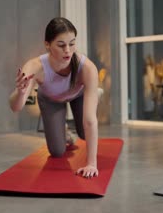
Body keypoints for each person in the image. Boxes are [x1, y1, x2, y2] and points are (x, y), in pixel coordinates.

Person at [9, 17, 99, 178]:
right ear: (47, 44)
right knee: (57, 152)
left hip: (77, 95)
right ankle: (63, 132)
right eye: (61, 45)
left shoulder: (87, 68)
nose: (68, 50)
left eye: (72, 43)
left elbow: (90, 121)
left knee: (86, 132)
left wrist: (91, 164)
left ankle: (90, 99)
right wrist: (21, 93)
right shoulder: (35, 66)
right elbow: (16, 107)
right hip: (50, 99)